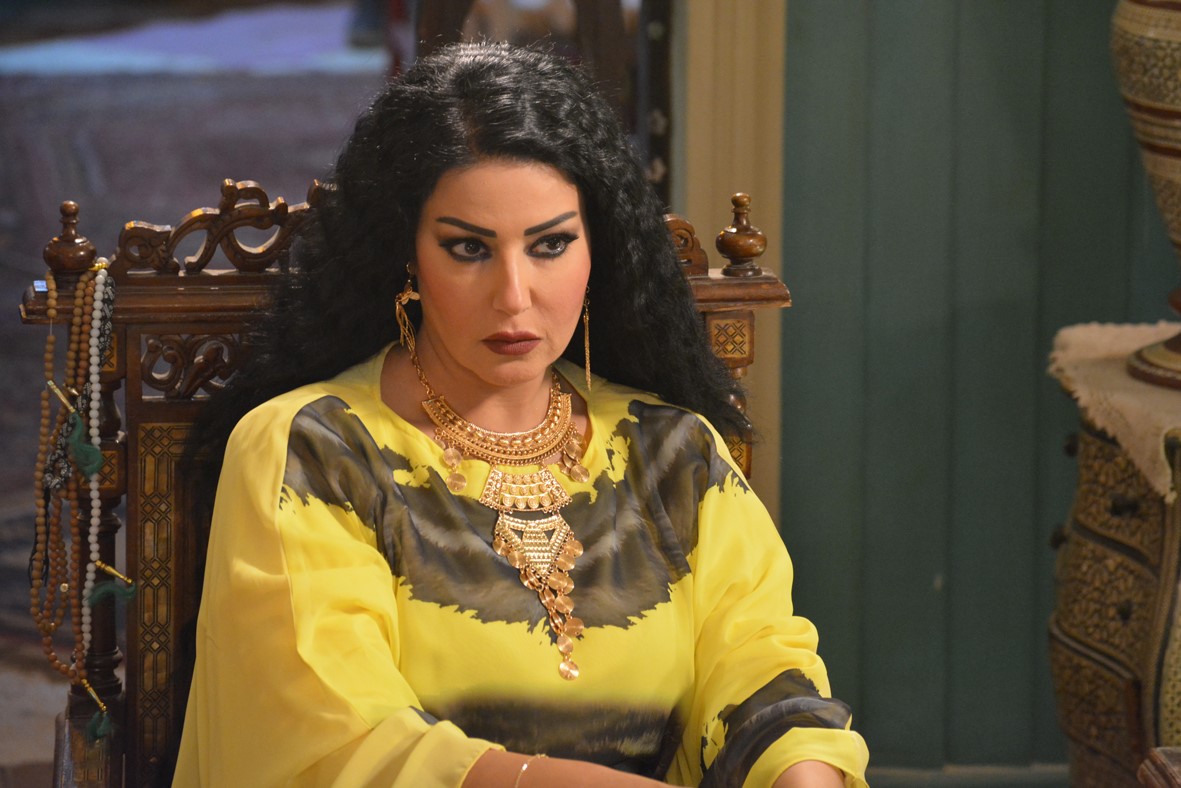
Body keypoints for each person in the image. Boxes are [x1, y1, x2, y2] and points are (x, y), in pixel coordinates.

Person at [173, 42, 869, 787]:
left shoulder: (672, 450)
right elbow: (341, 742)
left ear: (598, 249)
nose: (513, 296)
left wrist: (803, 774)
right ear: (406, 254)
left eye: (550, 245)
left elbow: (761, 668)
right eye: (468, 248)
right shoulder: (312, 451)